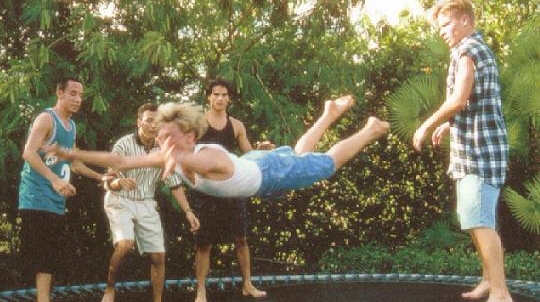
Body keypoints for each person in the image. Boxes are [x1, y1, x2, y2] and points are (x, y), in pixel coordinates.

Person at [49, 94, 390, 202]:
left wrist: (169, 160)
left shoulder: (205, 156)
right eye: (161, 137)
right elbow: (120, 160)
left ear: (189, 137)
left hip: (269, 173)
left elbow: (188, 164)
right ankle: (328, 114)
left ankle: (369, 129)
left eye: (170, 137)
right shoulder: (171, 154)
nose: (163, 143)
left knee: (327, 164)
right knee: (299, 157)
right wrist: (72, 154)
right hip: (255, 164)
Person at [412, 0, 513, 302]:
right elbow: (473, 102)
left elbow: (459, 99)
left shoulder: (468, 50)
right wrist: (448, 125)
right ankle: (489, 280)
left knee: (478, 220)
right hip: (476, 149)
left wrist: (427, 125)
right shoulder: (475, 49)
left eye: (447, 24)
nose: (442, 31)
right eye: (440, 26)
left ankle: (500, 294)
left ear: (465, 20)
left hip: (479, 152)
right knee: (475, 218)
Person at [101, 103, 200, 302]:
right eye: (148, 120)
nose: (153, 125)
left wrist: (188, 211)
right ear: (139, 122)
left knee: (159, 256)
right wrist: (119, 182)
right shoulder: (124, 144)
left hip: (146, 202)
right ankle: (110, 288)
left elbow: (174, 184)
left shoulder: (164, 149)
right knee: (125, 244)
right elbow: (107, 180)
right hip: (120, 199)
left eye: (157, 122)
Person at [18, 77, 103, 302]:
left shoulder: (71, 126)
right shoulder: (47, 119)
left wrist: (101, 177)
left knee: (52, 252)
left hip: (56, 198)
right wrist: (55, 179)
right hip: (36, 195)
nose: (77, 99)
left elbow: (74, 163)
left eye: (81, 95)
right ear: (60, 93)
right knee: (44, 252)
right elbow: (28, 152)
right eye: (73, 93)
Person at [189, 80, 266, 302]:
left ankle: (247, 284)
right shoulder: (198, 123)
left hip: (232, 189)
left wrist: (262, 151)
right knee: (204, 244)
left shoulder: (237, 126)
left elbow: (250, 156)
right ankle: (201, 291)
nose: (220, 98)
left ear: (229, 98)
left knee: (241, 239)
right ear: (208, 97)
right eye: (216, 94)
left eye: (224, 95)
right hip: (206, 191)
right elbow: (186, 153)